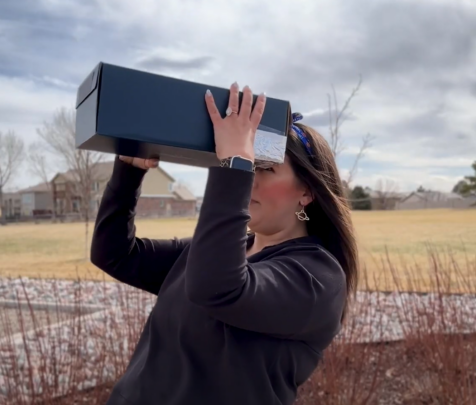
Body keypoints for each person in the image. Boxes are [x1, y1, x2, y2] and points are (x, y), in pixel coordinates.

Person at [91, 82, 358, 405]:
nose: (249, 178)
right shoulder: (216, 253)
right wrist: (128, 173)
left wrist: (233, 163)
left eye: (264, 168)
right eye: (249, 164)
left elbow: (218, 289)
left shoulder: (318, 280)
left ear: (307, 192)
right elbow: (116, 254)